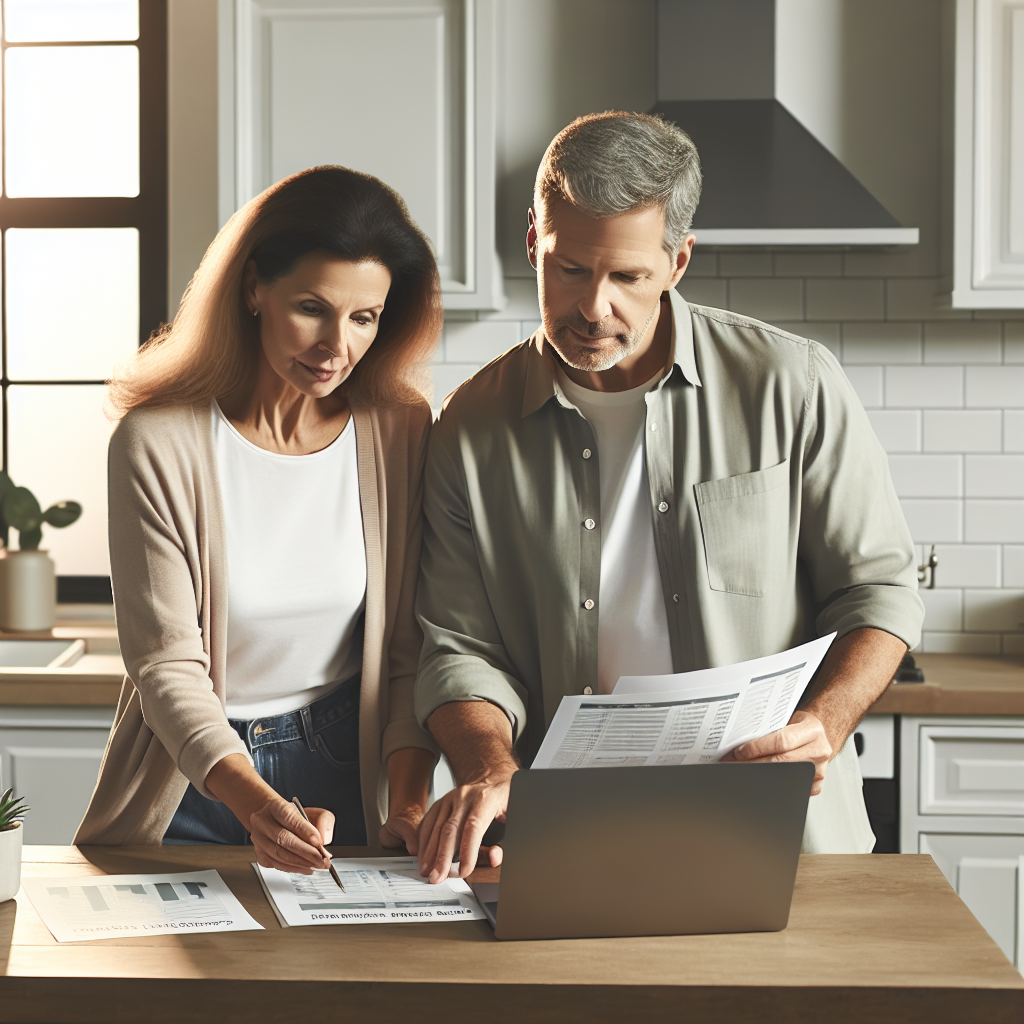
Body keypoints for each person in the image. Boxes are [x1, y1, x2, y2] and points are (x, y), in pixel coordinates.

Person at [413, 112, 924, 883]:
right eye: (570, 269)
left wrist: (824, 721)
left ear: (678, 261)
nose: (593, 308)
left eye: (627, 278)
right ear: (533, 243)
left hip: (782, 832)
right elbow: (459, 649)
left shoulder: (794, 386)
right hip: (572, 842)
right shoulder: (470, 426)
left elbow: (879, 591)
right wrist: (489, 765)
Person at [76, 166, 442, 873]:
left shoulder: (399, 429)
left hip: (346, 759)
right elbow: (165, 665)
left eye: (363, 318)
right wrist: (254, 800)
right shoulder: (159, 442)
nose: (336, 345)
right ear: (252, 289)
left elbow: (405, 651)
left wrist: (409, 804)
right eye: (312, 307)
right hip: (194, 774)